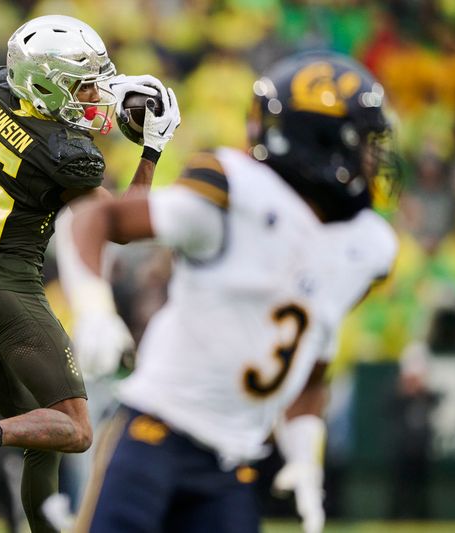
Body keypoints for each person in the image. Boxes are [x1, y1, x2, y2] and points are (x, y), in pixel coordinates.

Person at [55, 51, 400, 533]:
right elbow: (96, 216)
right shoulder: (236, 192)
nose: (371, 156)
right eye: (359, 140)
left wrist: (304, 451)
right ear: (321, 142)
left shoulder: (366, 246)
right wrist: (92, 306)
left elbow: (313, 360)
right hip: (155, 433)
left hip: (235, 463)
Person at [0, 14, 180, 533]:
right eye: (81, 84)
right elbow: (122, 227)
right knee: (74, 427)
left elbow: (35, 99)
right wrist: (152, 150)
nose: (92, 94)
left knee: (40, 435)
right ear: (45, 86)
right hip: (9, 291)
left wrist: (108, 88)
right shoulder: (68, 158)